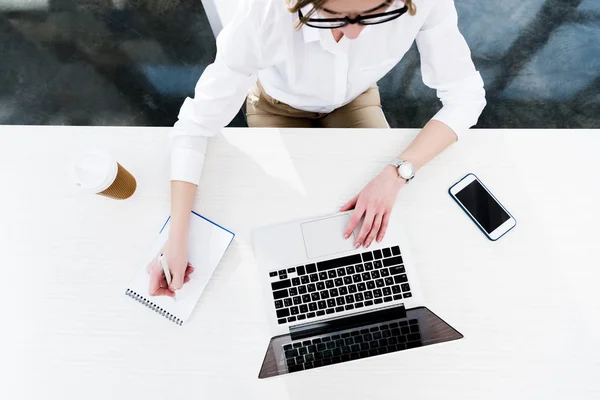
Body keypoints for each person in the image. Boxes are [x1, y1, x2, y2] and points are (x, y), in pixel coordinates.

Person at [147, 0, 486, 297]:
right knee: (289, 227)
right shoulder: (262, 15)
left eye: (375, 13)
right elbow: (195, 127)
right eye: (334, 16)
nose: (353, 35)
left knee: (387, 230)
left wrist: (398, 172)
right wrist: (178, 236)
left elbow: (466, 96)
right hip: (277, 106)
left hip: (354, 100)